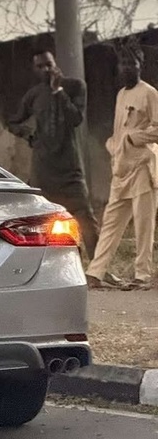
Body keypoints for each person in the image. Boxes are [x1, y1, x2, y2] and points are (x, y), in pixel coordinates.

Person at [7, 48, 100, 262]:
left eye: (48, 64)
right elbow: (13, 121)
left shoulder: (75, 86)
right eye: (40, 66)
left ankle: (97, 268)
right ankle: (54, 264)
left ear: (55, 63)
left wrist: (59, 91)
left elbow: (76, 118)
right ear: (35, 70)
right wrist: (30, 135)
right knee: (42, 219)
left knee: (85, 216)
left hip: (70, 167)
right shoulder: (34, 94)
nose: (45, 69)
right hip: (43, 167)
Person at [86, 46, 158, 291]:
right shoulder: (121, 94)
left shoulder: (149, 93)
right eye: (123, 63)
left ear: (140, 64)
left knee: (143, 224)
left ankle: (142, 276)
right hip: (121, 168)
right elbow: (119, 129)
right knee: (111, 221)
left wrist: (132, 138)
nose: (127, 67)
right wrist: (114, 145)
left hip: (142, 167)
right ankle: (96, 272)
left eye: (132, 63)